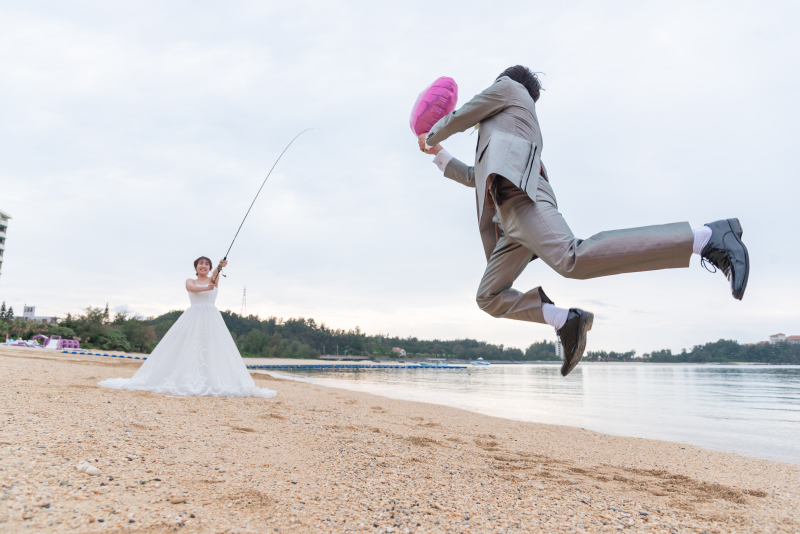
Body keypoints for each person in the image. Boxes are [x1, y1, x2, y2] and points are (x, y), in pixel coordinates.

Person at [418, 65, 749, 377]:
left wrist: (430, 133)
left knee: (572, 259)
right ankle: (566, 321)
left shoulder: (509, 87)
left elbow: (461, 116)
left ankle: (706, 237)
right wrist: (440, 156)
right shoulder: (500, 131)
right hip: (508, 217)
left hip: (522, 197)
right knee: (488, 296)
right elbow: (475, 176)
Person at [99, 256, 277, 398]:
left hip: (212, 319)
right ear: (196, 267)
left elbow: (217, 272)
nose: (204, 266)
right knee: (185, 348)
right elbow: (192, 289)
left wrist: (221, 265)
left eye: (207, 264)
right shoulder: (190, 281)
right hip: (192, 317)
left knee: (212, 349)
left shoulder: (214, 278)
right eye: (201, 264)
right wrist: (207, 286)